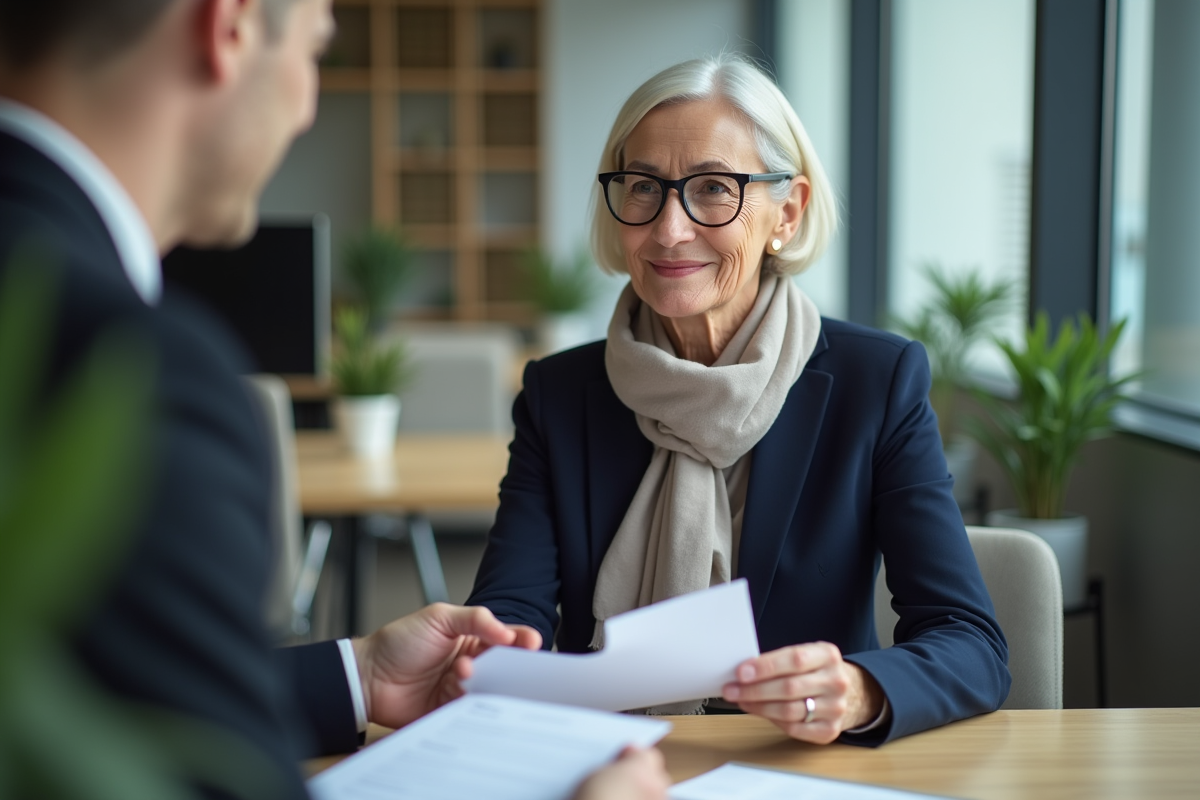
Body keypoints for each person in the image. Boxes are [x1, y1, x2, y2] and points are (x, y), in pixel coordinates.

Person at [0, 0, 668, 797]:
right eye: (315, 53)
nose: (309, 106)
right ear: (231, 28)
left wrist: (354, 674)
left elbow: (91, 695)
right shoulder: (123, 370)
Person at [467, 53, 1011, 746]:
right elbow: (510, 609)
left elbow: (969, 642)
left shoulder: (876, 384)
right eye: (643, 187)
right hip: (605, 763)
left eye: (714, 189)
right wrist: (498, 651)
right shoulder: (559, 393)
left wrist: (860, 690)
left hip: (798, 765)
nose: (669, 229)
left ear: (787, 211)